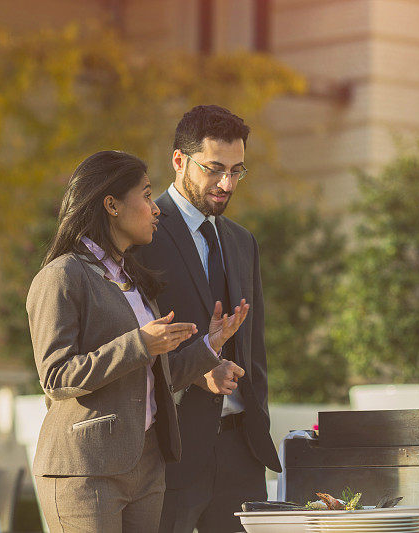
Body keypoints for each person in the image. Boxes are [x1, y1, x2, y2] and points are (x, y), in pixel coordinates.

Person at [27, 150, 250, 532]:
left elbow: (152, 377)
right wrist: (139, 344)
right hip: (86, 470)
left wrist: (208, 348)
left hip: (147, 468)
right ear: (111, 204)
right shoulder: (62, 275)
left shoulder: (134, 280)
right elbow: (57, 376)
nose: (156, 208)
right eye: (146, 196)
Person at [134, 105, 281, 533]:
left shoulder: (242, 241)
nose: (226, 184)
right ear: (179, 160)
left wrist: (258, 427)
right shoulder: (142, 235)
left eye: (237, 171)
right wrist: (198, 371)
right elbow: (127, 341)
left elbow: (255, 351)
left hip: (242, 452)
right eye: (214, 169)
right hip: (169, 449)